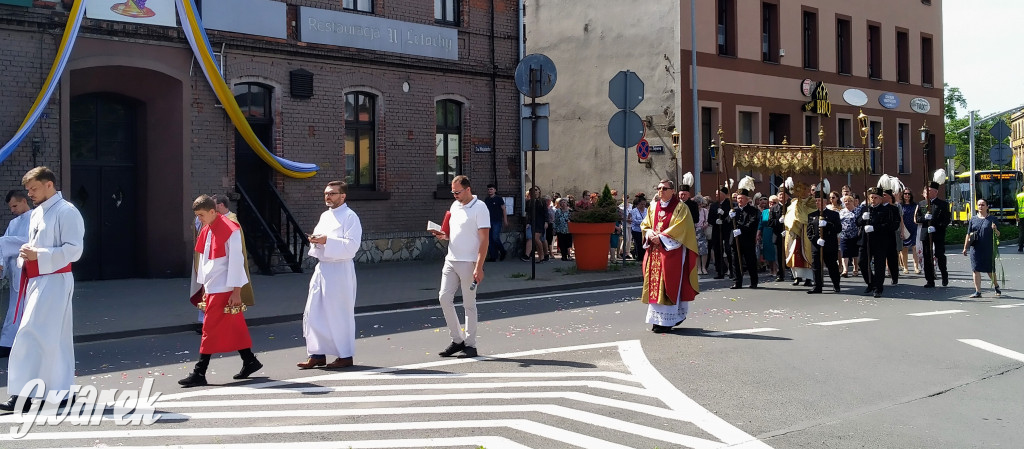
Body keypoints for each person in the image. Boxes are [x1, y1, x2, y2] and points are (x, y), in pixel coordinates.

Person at [1, 167, 84, 411]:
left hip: (56, 280)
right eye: (28, 190)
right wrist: (26, 256)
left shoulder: (67, 212)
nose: (31, 194)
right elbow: (31, 246)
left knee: (31, 334)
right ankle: (57, 392)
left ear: (49, 185)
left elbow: (74, 250)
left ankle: (23, 395)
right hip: (36, 281)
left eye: (34, 189)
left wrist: (39, 254)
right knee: (48, 338)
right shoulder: (37, 214)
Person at [178, 195, 262, 387]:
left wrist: (236, 291)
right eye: (197, 215)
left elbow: (236, 261)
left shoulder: (230, 229)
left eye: (201, 215)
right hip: (214, 286)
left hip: (224, 287)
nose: (199, 219)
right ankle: (249, 360)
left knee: (208, 329)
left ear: (213, 212)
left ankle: (200, 372)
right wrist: (204, 287)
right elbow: (207, 261)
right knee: (235, 326)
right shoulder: (207, 228)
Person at [297, 181, 363, 370]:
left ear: (343, 196)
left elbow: (352, 246)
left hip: (340, 269)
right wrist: (316, 241)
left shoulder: (350, 217)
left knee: (339, 314)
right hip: (323, 268)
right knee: (314, 312)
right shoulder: (325, 216)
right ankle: (317, 354)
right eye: (326, 193)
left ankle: (345, 355)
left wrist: (327, 241)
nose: (328, 197)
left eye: (333, 194)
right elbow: (320, 239)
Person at [431, 175, 489, 358]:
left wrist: (479, 266)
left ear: (468, 189)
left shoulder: (480, 208)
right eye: (452, 192)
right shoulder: (454, 206)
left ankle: (470, 345)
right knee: (443, 298)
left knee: (469, 304)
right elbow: (452, 232)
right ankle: (457, 340)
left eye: (457, 192)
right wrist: (443, 236)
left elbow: (484, 239)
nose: (454, 195)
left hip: (469, 261)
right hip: (451, 259)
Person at [640, 179, 700, 333]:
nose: (661, 191)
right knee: (655, 284)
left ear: (673, 191)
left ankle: (669, 320)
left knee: (669, 283)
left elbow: (681, 227)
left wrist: (661, 237)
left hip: (671, 252)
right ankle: (656, 320)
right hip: (655, 252)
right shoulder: (653, 206)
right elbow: (645, 224)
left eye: (665, 188)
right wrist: (649, 233)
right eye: (659, 188)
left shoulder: (681, 208)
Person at [0, 191, 32, 358]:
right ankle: (7, 343)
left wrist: (5, 244)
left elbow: (31, 240)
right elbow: (3, 249)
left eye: (15, 206)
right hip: (15, 271)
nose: (12, 210)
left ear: (24, 201)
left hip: (29, 269)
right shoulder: (13, 223)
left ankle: (20, 344)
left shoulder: (36, 217)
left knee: (26, 307)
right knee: (15, 307)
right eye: (10, 207)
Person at [915, 170, 951, 288]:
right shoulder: (921, 204)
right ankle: (929, 280)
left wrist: (936, 227)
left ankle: (944, 275)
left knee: (940, 254)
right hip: (925, 233)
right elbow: (918, 218)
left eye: (929, 190)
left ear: (935, 192)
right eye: (926, 190)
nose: (927, 192)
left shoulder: (943, 204)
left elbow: (946, 220)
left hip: (938, 233)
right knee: (927, 256)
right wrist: (925, 219)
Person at [962, 199, 1002, 298]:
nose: (980, 207)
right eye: (979, 205)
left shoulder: (992, 219)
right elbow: (968, 234)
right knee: (975, 269)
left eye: (983, 205)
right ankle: (978, 291)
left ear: (987, 207)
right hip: (975, 248)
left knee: (989, 270)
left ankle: (996, 286)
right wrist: (965, 247)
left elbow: (999, 234)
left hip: (988, 248)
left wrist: (995, 229)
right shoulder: (973, 219)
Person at [857, 188, 891, 298]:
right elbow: (857, 222)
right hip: (865, 240)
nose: (873, 200)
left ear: (880, 199)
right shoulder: (864, 209)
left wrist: (874, 228)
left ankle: (878, 288)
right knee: (862, 262)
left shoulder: (885, 210)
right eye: (871, 197)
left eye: (876, 198)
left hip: (879, 241)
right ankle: (870, 283)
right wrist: (862, 218)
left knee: (879, 266)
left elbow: (888, 226)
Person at [807, 191, 842, 293]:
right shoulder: (811, 215)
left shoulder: (833, 215)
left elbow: (838, 229)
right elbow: (809, 232)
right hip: (817, 245)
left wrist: (828, 224)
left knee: (832, 266)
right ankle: (817, 286)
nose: (818, 202)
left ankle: (836, 284)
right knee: (816, 266)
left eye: (820, 200)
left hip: (830, 245)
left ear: (826, 201)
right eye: (816, 201)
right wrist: (816, 240)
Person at [728, 177, 759, 289]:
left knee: (750, 261)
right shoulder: (734, 210)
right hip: (735, 240)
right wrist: (729, 217)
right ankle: (737, 282)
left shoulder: (753, 210)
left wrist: (741, 229)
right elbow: (728, 223)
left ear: (747, 199)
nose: (739, 200)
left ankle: (753, 281)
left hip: (747, 240)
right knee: (735, 262)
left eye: (742, 198)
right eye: (738, 198)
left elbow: (752, 223)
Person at [784, 183, 815, 287]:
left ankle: (808, 278)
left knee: (806, 254)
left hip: (806, 231)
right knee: (795, 254)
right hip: (794, 233)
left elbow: (811, 214)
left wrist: (801, 219)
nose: (801, 193)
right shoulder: (793, 203)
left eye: (803, 190)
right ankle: (797, 277)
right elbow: (789, 215)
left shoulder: (812, 202)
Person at [769, 184, 790, 282]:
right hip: (778, 235)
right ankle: (780, 274)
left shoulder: (791, 207)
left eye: (784, 194)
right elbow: (770, 222)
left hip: (790, 234)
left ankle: (793, 274)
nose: (781, 196)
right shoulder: (774, 208)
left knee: (790, 254)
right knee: (779, 256)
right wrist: (778, 221)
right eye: (780, 194)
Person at [483, 184, 508, 262]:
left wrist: (505, 220)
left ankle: (502, 251)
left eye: (491, 189)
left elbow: (504, 209)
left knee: (495, 237)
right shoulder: (487, 200)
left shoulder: (499, 199)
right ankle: (493, 256)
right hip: (488, 221)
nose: (490, 191)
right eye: (489, 189)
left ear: (495, 190)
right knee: (489, 239)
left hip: (497, 221)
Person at [838, 195, 860, 278]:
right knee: (844, 252)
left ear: (853, 201)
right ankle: (845, 270)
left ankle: (855, 269)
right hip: (844, 235)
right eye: (845, 201)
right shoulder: (842, 212)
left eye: (849, 201)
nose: (847, 203)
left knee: (855, 253)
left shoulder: (857, 211)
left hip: (855, 235)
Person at [900, 189, 921, 274]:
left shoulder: (915, 205)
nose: (907, 195)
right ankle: (905, 267)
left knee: (915, 248)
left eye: (909, 194)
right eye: (905, 194)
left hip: (914, 227)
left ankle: (916, 267)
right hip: (904, 228)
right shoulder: (900, 206)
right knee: (904, 248)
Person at [757, 195, 777, 278]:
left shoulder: (777, 211)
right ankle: (771, 269)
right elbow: (760, 223)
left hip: (773, 232)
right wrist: (758, 234)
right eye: (770, 202)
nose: (772, 204)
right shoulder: (765, 212)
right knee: (767, 252)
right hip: (765, 232)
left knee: (773, 252)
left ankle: (775, 270)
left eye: (774, 202)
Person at [628, 196, 647, 262]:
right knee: (638, 244)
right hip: (636, 230)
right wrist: (643, 222)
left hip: (644, 230)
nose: (643, 206)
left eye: (644, 204)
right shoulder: (634, 211)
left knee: (644, 244)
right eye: (642, 204)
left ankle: (644, 257)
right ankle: (639, 257)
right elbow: (634, 220)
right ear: (638, 204)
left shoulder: (646, 210)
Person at [695, 196, 709, 275]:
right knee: (696, 250)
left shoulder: (705, 211)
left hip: (702, 231)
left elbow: (707, 220)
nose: (699, 206)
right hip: (694, 230)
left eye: (700, 204)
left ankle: (703, 267)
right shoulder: (693, 211)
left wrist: (705, 224)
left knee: (704, 250)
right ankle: (699, 268)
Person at [1016, 184, 1024, 253]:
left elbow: (1016, 207)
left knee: (1021, 232)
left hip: (1021, 217)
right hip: (1021, 216)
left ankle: (1020, 246)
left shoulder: (1019, 196)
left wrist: (1017, 217)